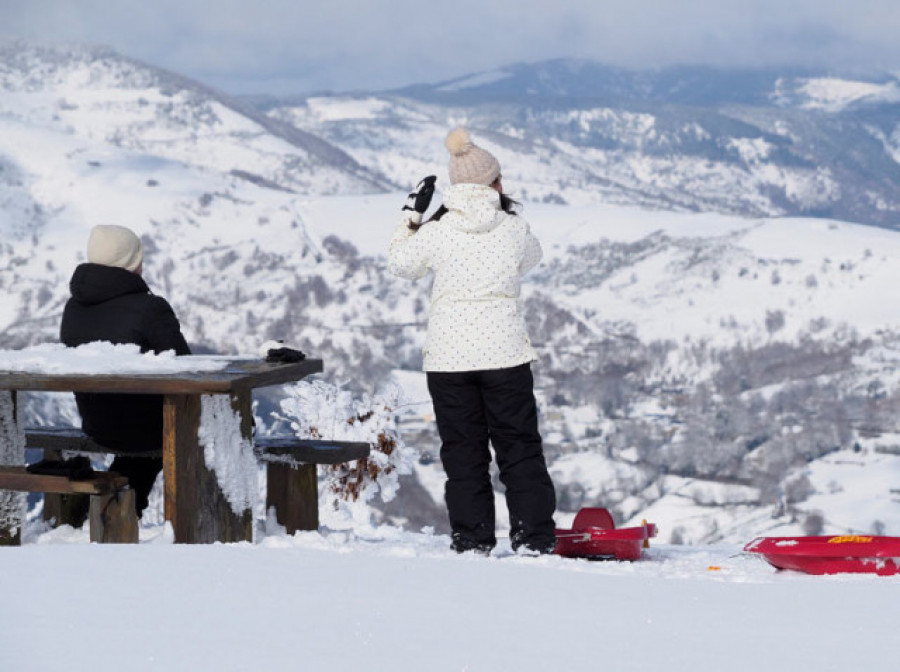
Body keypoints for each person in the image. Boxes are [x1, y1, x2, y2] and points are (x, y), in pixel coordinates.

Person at [388, 128, 557, 555]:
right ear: (494, 183)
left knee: (463, 452)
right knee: (519, 448)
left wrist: (412, 217)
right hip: (505, 355)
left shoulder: (437, 232)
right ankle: (533, 538)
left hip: (449, 360)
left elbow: (401, 265)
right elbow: (532, 259)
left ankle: (472, 539)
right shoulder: (513, 229)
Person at [60, 224, 191, 516]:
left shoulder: (74, 307)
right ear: (132, 262)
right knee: (227, 422)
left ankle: (118, 510)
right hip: (148, 429)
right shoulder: (150, 309)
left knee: (137, 452)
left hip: (97, 425)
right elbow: (186, 370)